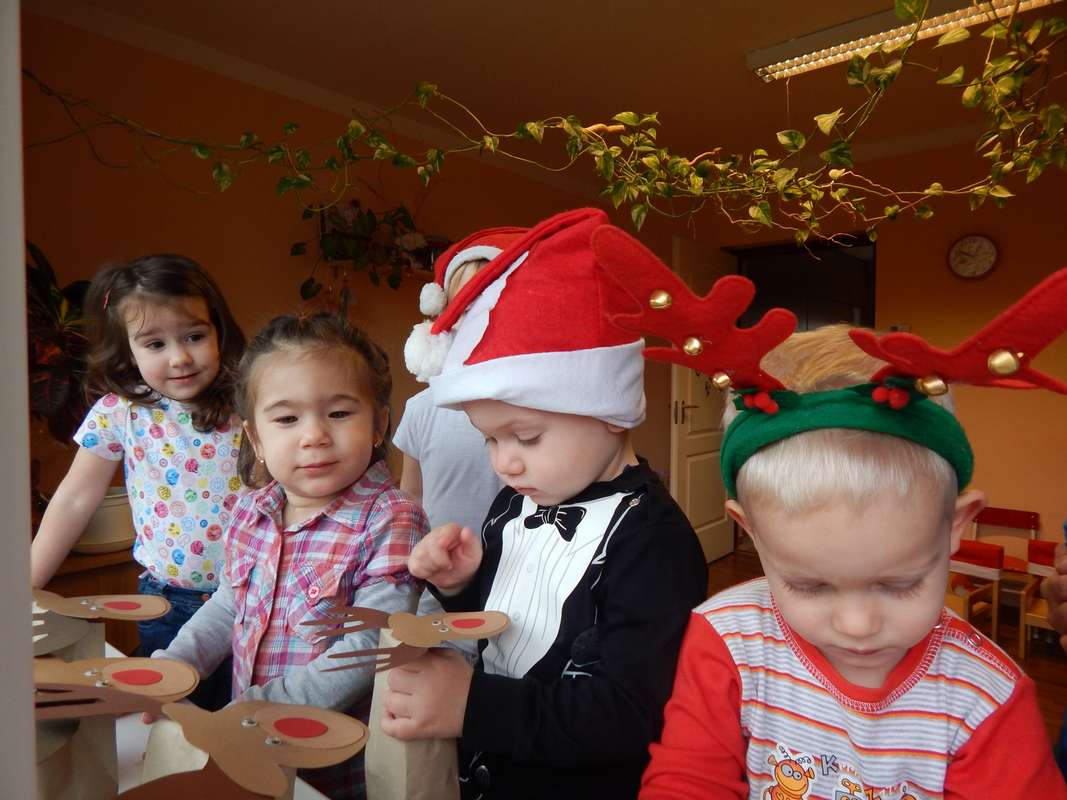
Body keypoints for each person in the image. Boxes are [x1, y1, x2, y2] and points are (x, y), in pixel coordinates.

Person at [634, 317, 1067, 797]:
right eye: (810, 585)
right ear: (751, 530)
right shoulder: (727, 641)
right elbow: (689, 780)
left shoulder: (985, 697)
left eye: (899, 584)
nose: (857, 626)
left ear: (954, 526)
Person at [379, 207, 708, 800]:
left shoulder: (654, 542)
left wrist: (473, 704)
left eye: (526, 437)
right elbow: (512, 625)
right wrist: (462, 586)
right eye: (489, 439)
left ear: (609, 412)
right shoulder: (513, 505)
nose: (504, 463)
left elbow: (630, 712)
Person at [155, 312, 428, 800]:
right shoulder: (250, 511)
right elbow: (228, 607)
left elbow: (369, 646)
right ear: (256, 439)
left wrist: (261, 707)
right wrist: (174, 668)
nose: (314, 435)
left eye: (339, 413)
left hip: (336, 771)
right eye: (286, 419)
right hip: (253, 751)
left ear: (379, 424)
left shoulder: (391, 518)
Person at [30, 254, 245, 710]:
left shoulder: (252, 403)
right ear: (128, 350)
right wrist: (26, 582)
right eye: (155, 343)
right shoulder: (120, 412)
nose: (180, 357)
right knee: (171, 719)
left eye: (195, 336)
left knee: (245, 719)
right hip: (169, 604)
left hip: (254, 599)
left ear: (218, 330)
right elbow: (74, 498)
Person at [396, 228, 527, 634]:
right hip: (441, 584)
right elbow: (411, 497)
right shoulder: (421, 409)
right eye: (464, 310)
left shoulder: (533, 414)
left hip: (516, 580)